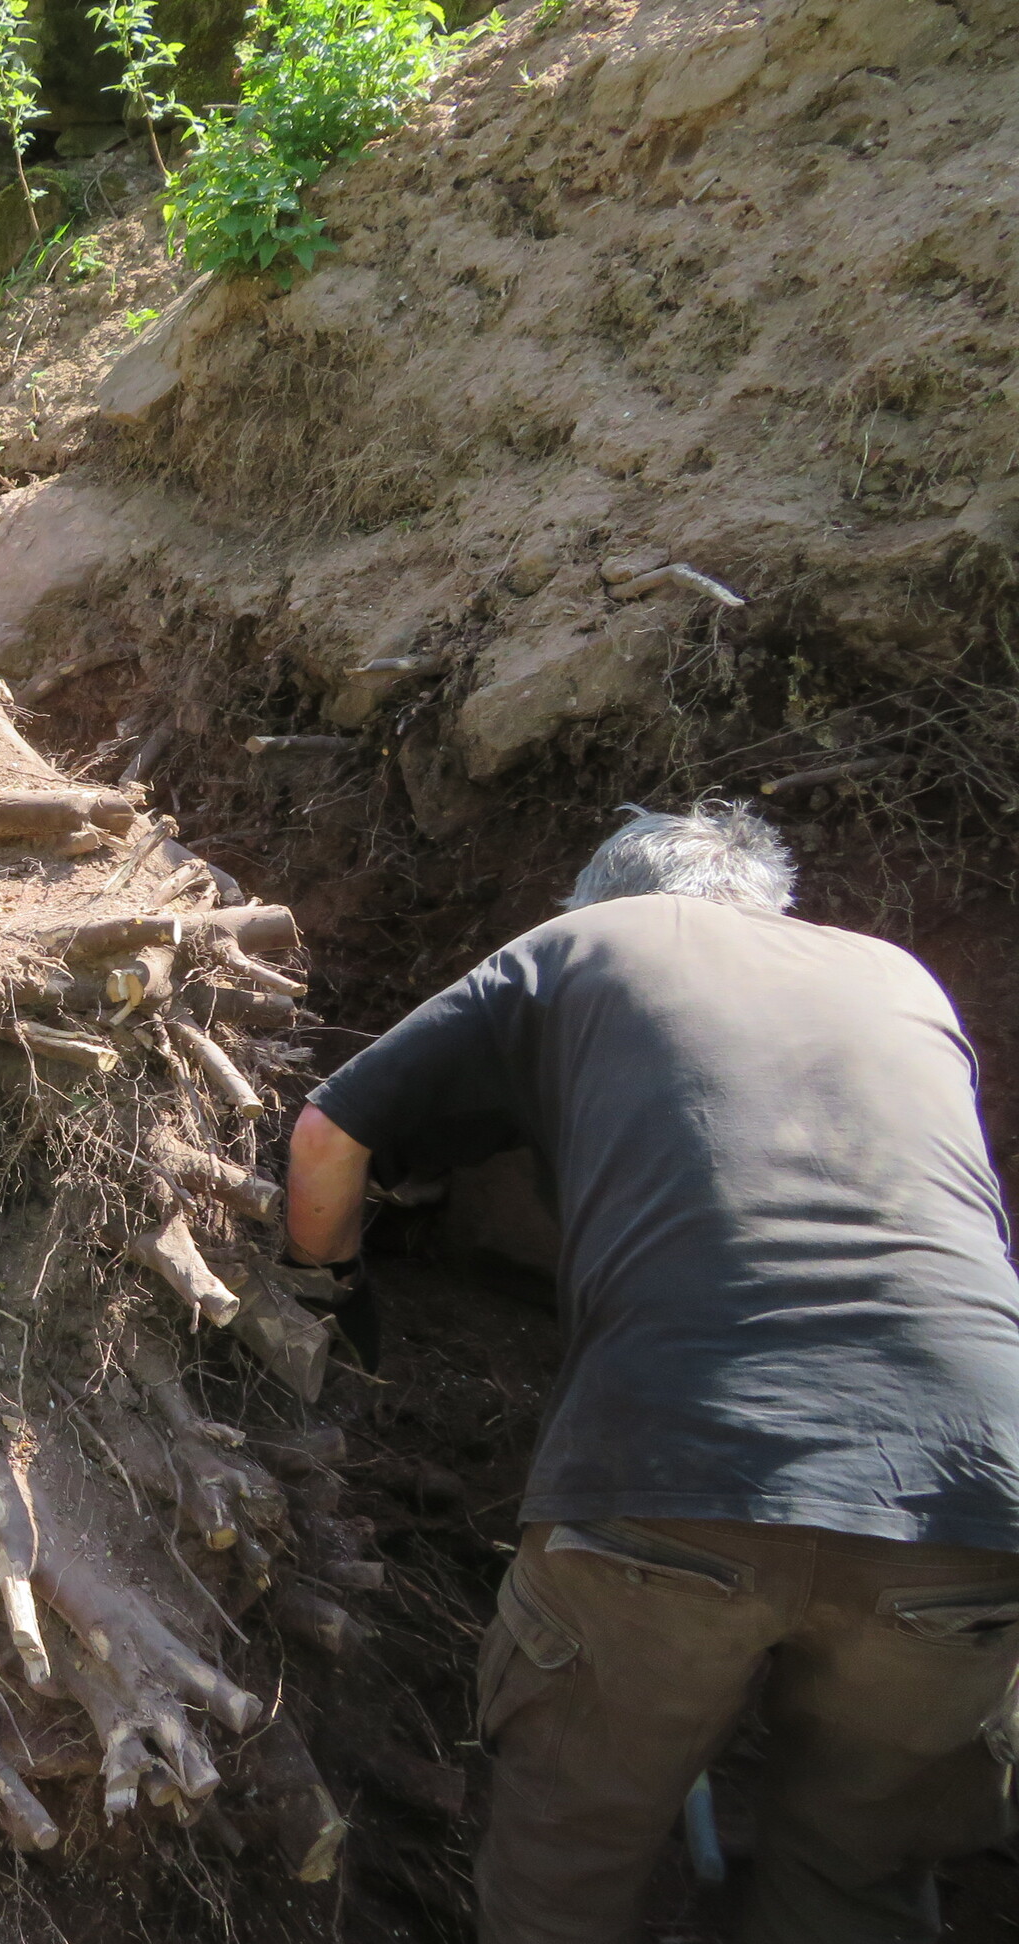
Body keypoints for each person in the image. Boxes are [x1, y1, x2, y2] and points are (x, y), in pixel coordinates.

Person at [282, 801, 1019, 1944]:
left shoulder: (589, 943)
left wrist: (322, 1291)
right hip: (976, 1494)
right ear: (769, 903)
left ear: (599, 901)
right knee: (860, 1884)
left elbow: (329, 1136)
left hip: (674, 1470)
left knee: (565, 1878)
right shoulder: (902, 978)